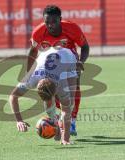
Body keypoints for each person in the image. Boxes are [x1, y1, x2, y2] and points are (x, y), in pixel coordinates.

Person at [27, 5, 89, 135]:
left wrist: (80, 62)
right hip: (50, 63)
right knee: (49, 89)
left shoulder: (72, 28)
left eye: (54, 22)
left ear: (60, 19)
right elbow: (33, 51)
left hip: (69, 60)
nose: (50, 25)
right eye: (47, 22)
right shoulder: (38, 32)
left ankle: (71, 120)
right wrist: (29, 72)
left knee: (74, 87)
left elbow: (85, 46)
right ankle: (58, 117)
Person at [9, 47, 78, 145]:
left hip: (69, 57)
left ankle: (61, 130)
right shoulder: (31, 79)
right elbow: (13, 96)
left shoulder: (61, 83)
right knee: (51, 103)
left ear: (56, 91)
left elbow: (66, 110)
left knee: (70, 104)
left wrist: (65, 138)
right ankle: (56, 122)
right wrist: (19, 121)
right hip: (47, 54)